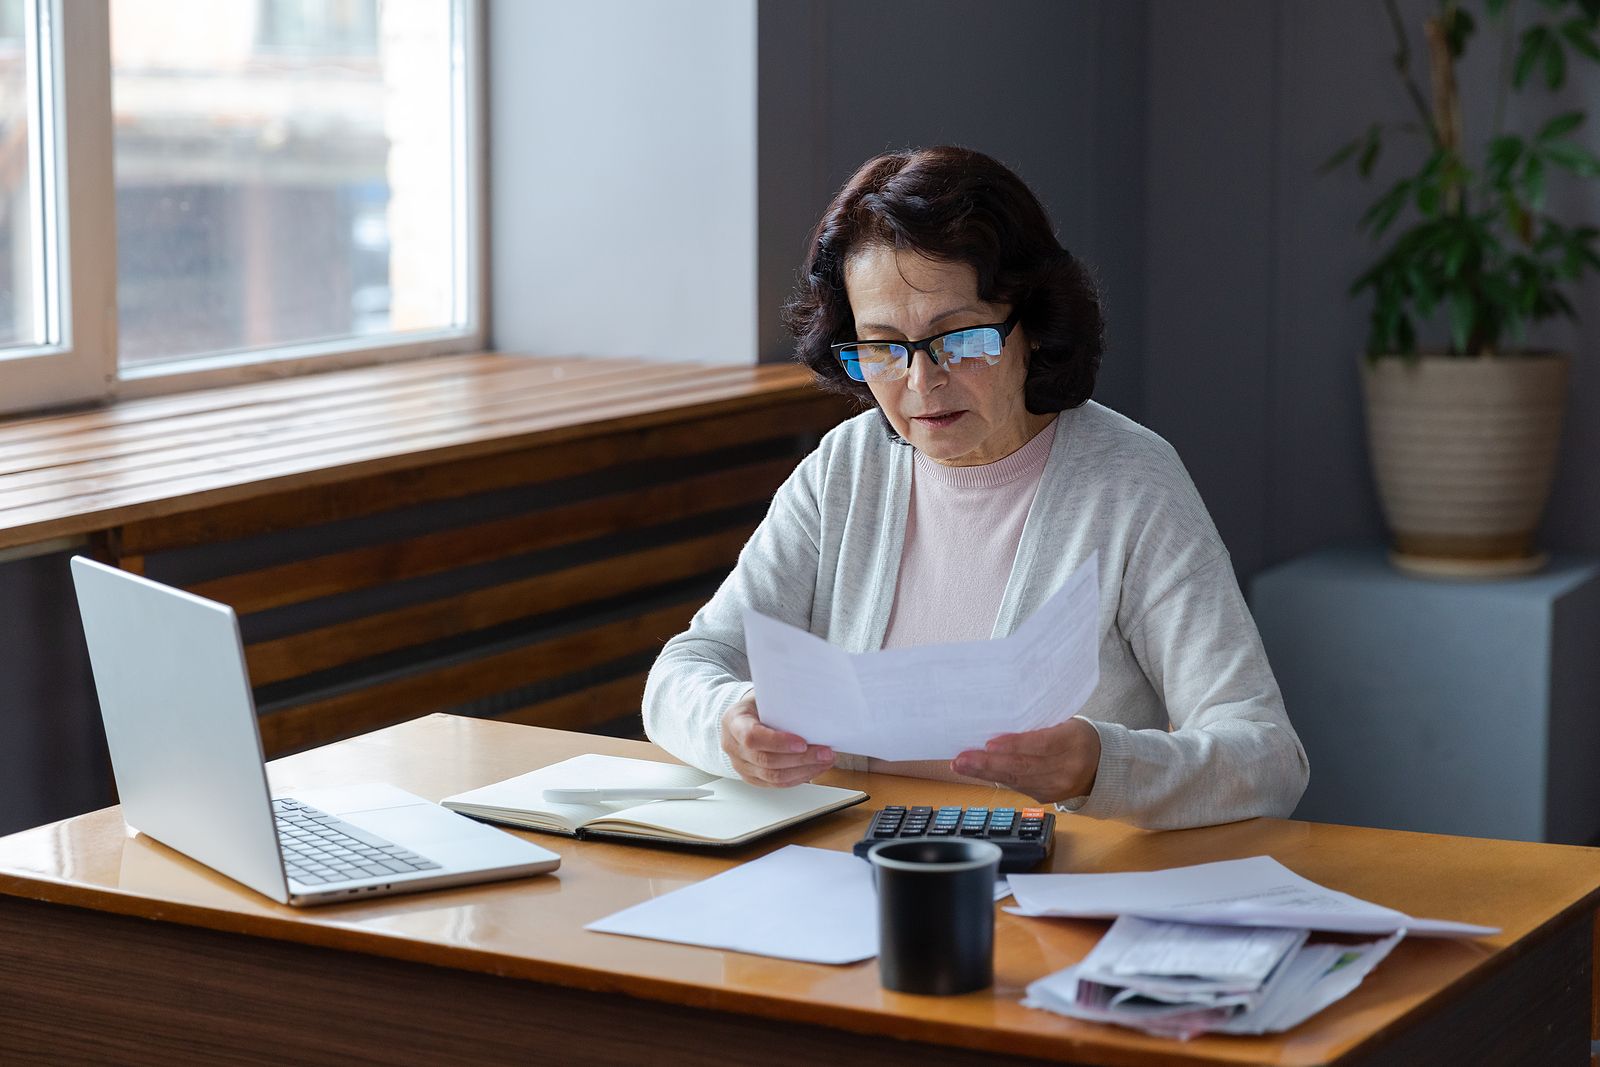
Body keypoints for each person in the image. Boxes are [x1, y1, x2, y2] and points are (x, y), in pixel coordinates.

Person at [642, 146, 1308, 830]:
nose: (919, 383)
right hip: (851, 880)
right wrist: (727, 723)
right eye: (882, 346)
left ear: (1033, 324)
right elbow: (683, 670)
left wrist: (1099, 766)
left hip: (1053, 893)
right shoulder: (845, 470)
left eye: (957, 340)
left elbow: (1267, 757)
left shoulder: (1129, 483)